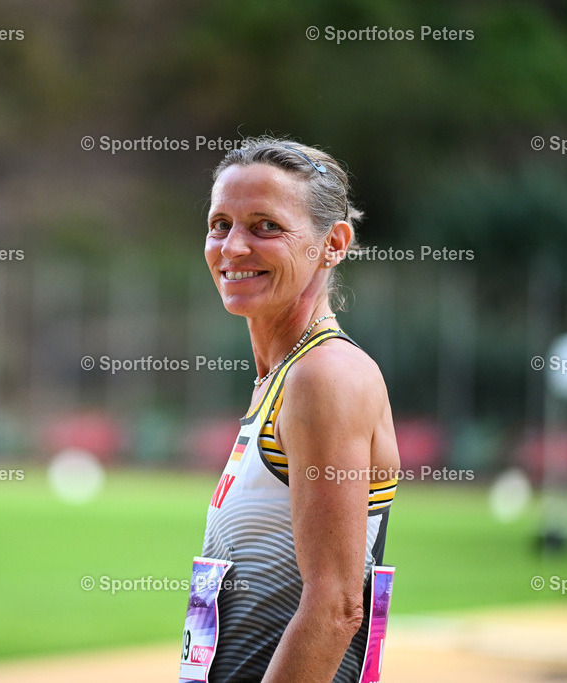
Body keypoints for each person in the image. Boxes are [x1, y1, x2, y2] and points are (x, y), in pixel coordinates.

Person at [192, 137, 400, 682]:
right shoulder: (282, 378)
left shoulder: (324, 377)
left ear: (333, 243)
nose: (233, 247)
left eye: (266, 227)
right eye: (221, 225)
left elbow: (336, 607)